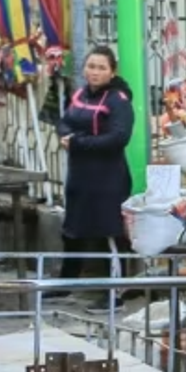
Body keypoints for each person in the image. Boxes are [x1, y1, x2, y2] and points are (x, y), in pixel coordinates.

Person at [54, 46, 134, 306]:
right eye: (91, 66)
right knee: (73, 230)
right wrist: (67, 135)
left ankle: (115, 293)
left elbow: (118, 138)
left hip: (108, 179)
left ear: (112, 72)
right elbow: (65, 121)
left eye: (101, 67)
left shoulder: (118, 101)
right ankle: (67, 283)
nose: (95, 72)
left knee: (109, 234)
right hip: (80, 177)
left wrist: (78, 142)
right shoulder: (79, 95)